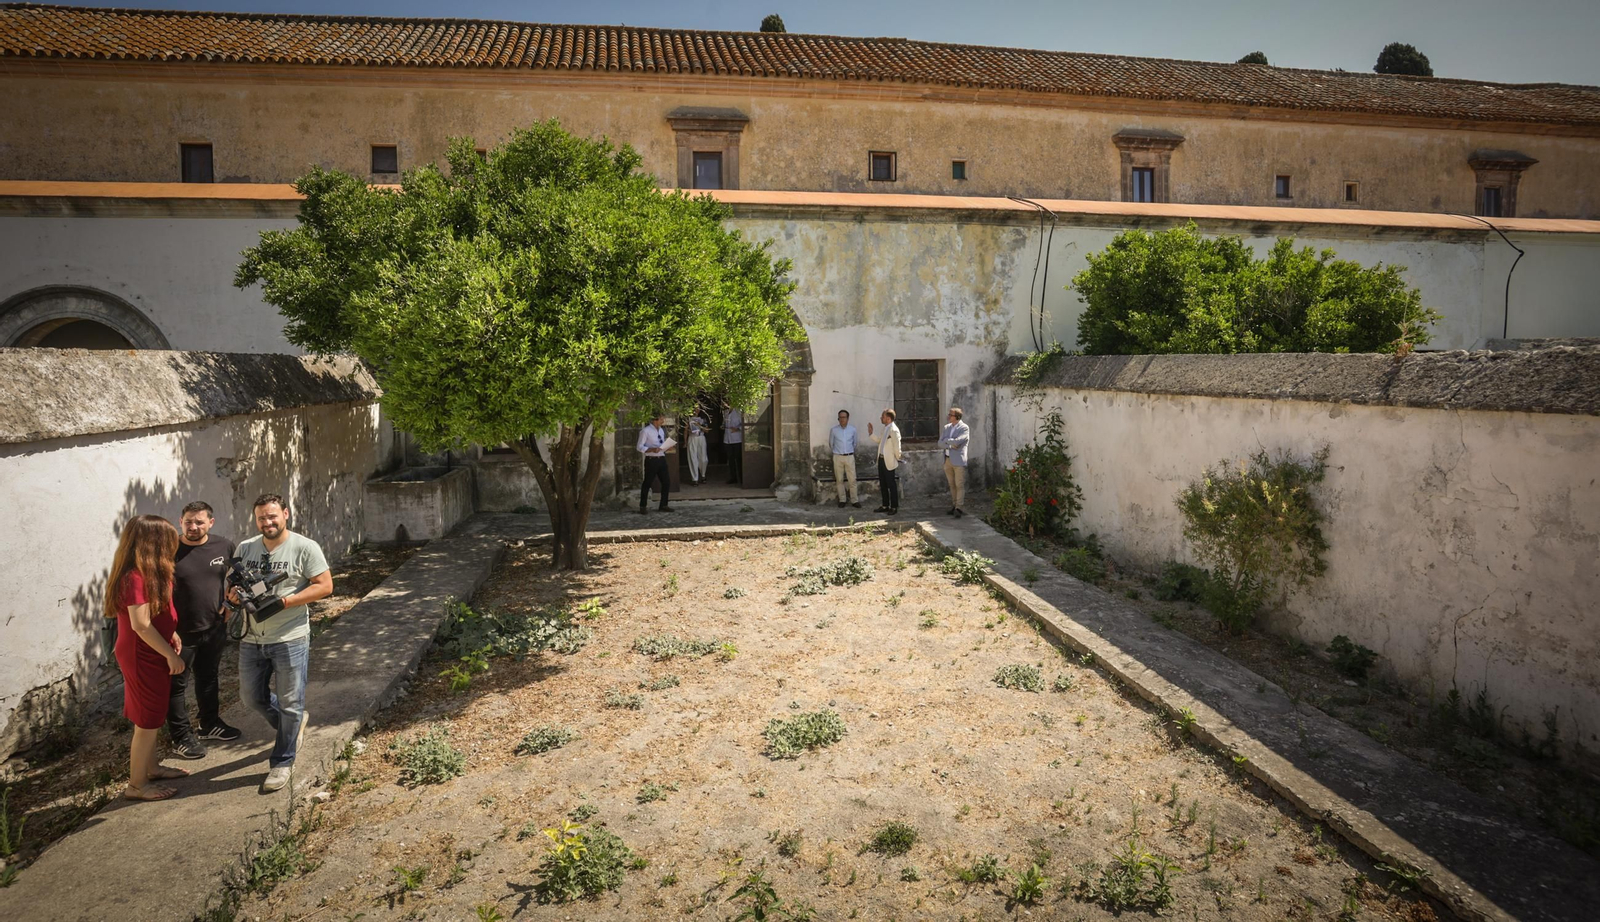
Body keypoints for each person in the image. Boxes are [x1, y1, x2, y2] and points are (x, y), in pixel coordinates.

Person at [234, 494, 332, 793]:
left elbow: (325, 586)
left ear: (285, 514)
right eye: (261, 517)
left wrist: (285, 602)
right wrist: (233, 595)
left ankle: (282, 761)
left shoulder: (305, 547)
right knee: (252, 698)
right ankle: (293, 722)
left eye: (272, 516)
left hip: (290, 637)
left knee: (291, 702)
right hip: (252, 637)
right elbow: (234, 584)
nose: (268, 522)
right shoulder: (245, 548)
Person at [105, 514, 190, 801]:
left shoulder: (149, 573)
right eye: (169, 539)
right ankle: (137, 785)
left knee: (152, 715)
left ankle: (152, 768)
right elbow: (140, 625)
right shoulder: (135, 577)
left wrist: (171, 633)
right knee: (147, 720)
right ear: (153, 543)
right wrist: (169, 655)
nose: (174, 544)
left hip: (151, 648)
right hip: (143, 654)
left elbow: (154, 616)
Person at [166, 501, 239, 760]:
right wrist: (166, 629)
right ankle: (181, 737)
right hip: (179, 633)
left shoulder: (224, 545)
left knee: (208, 677)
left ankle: (209, 724)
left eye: (199, 522)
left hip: (214, 626)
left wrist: (230, 601)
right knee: (176, 685)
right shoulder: (168, 548)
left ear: (211, 522)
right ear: (180, 521)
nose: (193, 527)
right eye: (188, 521)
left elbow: (236, 576)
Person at [867, 408, 902, 515]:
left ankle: (894, 506)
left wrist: (898, 457)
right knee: (883, 484)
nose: (881, 418)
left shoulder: (894, 430)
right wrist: (871, 434)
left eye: (883, 417)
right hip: (881, 459)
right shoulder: (885, 429)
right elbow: (880, 441)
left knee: (891, 484)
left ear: (888, 418)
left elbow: (897, 446)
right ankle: (885, 505)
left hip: (889, 460)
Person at [637, 414, 674, 514]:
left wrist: (667, 447)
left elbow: (661, 445)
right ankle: (643, 506)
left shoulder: (661, 430)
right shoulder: (645, 431)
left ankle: (664, 505)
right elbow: (639, 447)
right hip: (651, 460)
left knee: (666, 482)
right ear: (655, 420)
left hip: (661, 458)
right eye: (661, 419)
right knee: (648, 482)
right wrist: (652, 449)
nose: (663, 421)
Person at [938, 407, 972, 518]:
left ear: (957, 417)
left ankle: (959, 507)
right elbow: (940, 443)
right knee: (951, 484)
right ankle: (954, 505)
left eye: (951, 415)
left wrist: (947, 441)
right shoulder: (947, 427)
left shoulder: (964, 428)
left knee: (959, 484)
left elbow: (959, 441)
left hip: (958, 461)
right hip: (948, 459)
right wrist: (950, 444)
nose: (948, 416)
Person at [828, 409, 861, 508]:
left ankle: (854, 500)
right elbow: (831, 444)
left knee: (852, 480)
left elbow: (855, 443)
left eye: (844, 417)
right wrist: (837, 452)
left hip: (849, 457)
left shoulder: (853, 430)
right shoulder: (834, 430)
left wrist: (849, 451)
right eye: (840, 417)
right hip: (838, 457)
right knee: (839, 479)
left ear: (848, 418)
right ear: (838, 419)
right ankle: (842, 500)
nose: (842, 419)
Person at [685, 407, 709, 486]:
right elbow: (685, 430)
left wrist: (699, 425)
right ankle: (695, 478)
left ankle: (703, 474)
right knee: (693, 458)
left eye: (698, 408)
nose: (696, 410)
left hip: (701, 438)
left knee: (703, 459)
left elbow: (707, 430)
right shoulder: (688, 419)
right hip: (692, 438)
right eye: (694, 408)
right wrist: (685, 441)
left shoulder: (703, 419)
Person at [723, 402, 744, 485]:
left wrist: (737, 429)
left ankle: (741, 478)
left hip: (737, 439)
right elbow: (724, 423)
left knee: (738, 459)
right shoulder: (725, 412)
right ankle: (733, 477)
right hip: (727, 439)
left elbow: (744, 423)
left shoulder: (738, 411)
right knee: (730, 459)